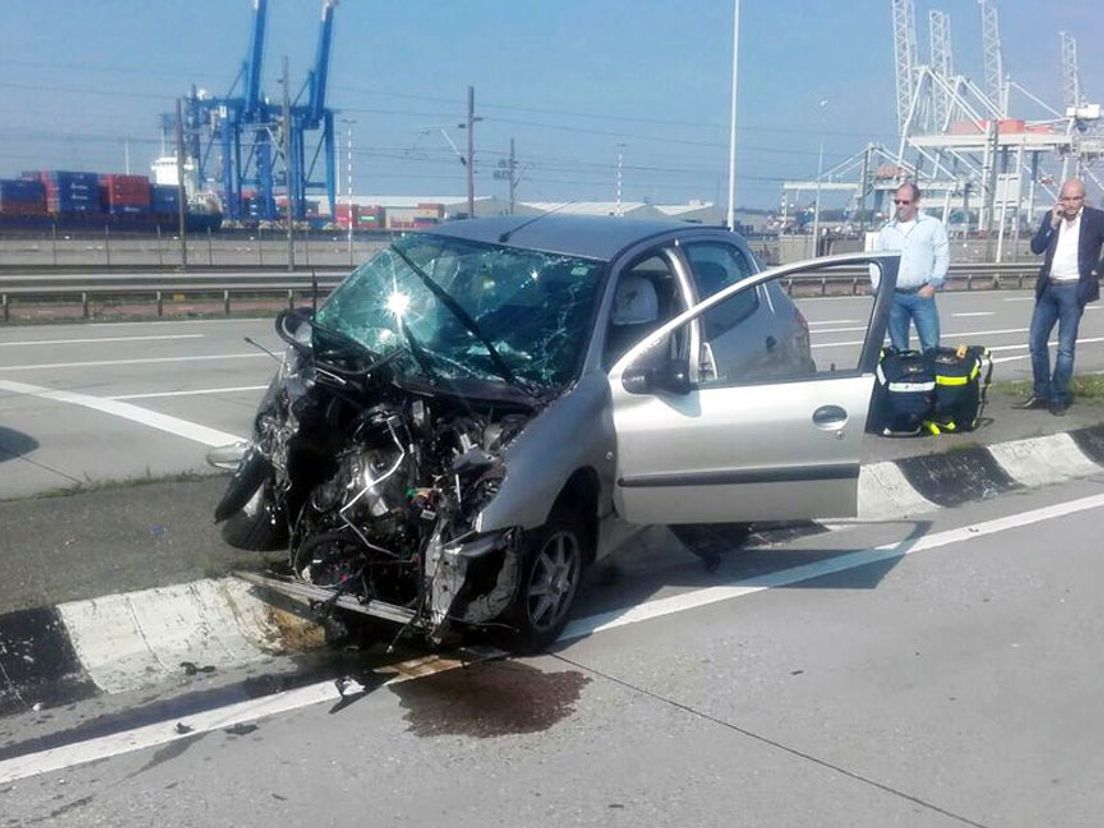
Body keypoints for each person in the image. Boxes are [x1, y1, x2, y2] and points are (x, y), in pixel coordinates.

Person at [1014, 178, 1104, 416]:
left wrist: (1098, 271)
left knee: (1065, 348)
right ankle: (1041, 392)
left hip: (1074, 290)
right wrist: (1052, 223)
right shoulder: (1052, 217)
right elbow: (1036, 247)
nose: (1071, 204)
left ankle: (1057, 396)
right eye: (1067, 198)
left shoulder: (1096, 218)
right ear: (1060, 199)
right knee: (1036, 342)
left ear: (1082, 199)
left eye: (1076, 199)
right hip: (1048, 288)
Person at [870, 182, 950, 352]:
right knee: (899, 349)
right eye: (897, 202)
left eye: (905, 202)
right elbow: (877, 262)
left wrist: (933, 285)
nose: (900, 206)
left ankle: (932, 376)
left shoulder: (931, 226)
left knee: (931, 346)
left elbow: (942, 255)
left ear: (916, 202)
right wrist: (879, 289)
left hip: (922, 294)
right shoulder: (887, 231)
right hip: (895, 297)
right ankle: (905, 378)